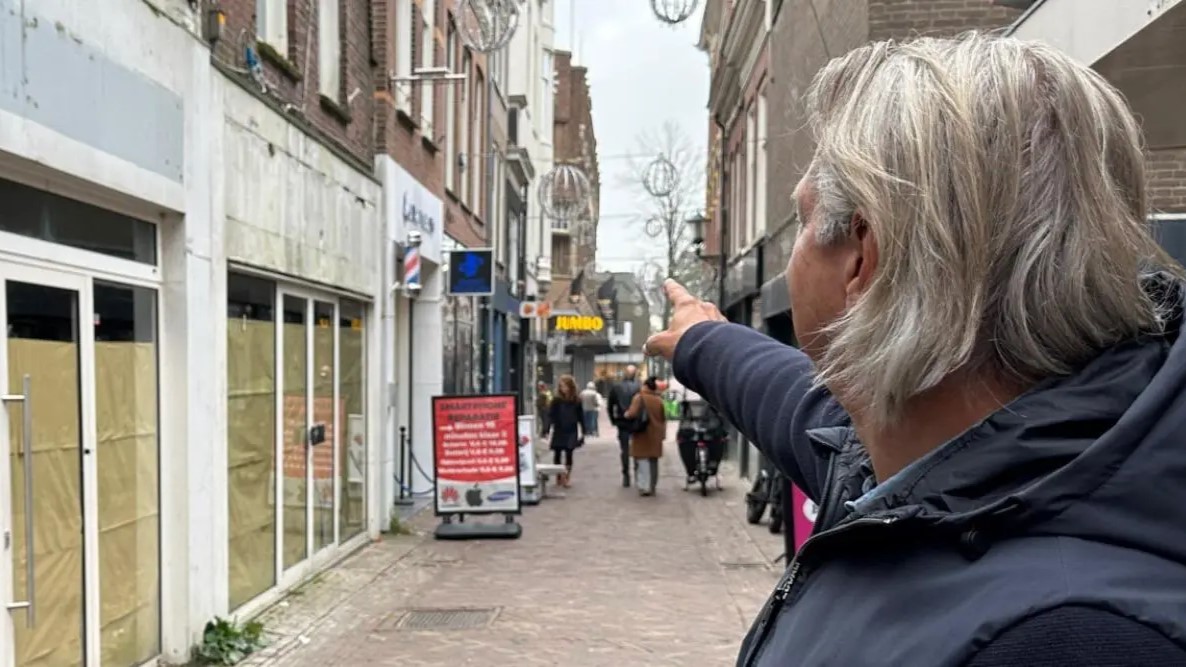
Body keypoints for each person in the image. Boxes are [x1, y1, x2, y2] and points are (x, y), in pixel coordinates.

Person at [644, 33, 1186, 666]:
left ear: (861, 256)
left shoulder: (1066, 640)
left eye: (800, 221)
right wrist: (704, 338)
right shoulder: (932, 460)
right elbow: (792, 404)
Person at [623, 376, 666, 496]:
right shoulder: (659, 400)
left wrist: (626, 414)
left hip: (642, 434)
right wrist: (662, 435)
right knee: (653, 461)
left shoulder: (639, 397)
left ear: (645, 386)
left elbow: (632, 413)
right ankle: (652, 486)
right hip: (656, 434)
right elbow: (663, 419)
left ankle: (644, 486)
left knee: (642, 460)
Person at [543, 375, 583, 487]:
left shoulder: (576, 400)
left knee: (569, 453)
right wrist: (547, 428)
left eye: (565, 386)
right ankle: (558, 476)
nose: (563, 389)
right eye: (561, 386)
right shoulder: (556, 400)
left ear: (571, 387)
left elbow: (580, 416)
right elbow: (551, 415)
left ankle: (566, 476)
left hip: (571, 429)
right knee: (557, 453)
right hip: (559, 429)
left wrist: (583, 431)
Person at [606, 364, 641, 487]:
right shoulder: (639, 387)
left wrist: (613, 420)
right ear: (635, 374)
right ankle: (638, 473)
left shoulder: (616, 387)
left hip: (622, 422)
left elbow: (610, 406)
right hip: (636, 422)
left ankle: (626, 475)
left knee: (624, 450)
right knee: (637, 449)